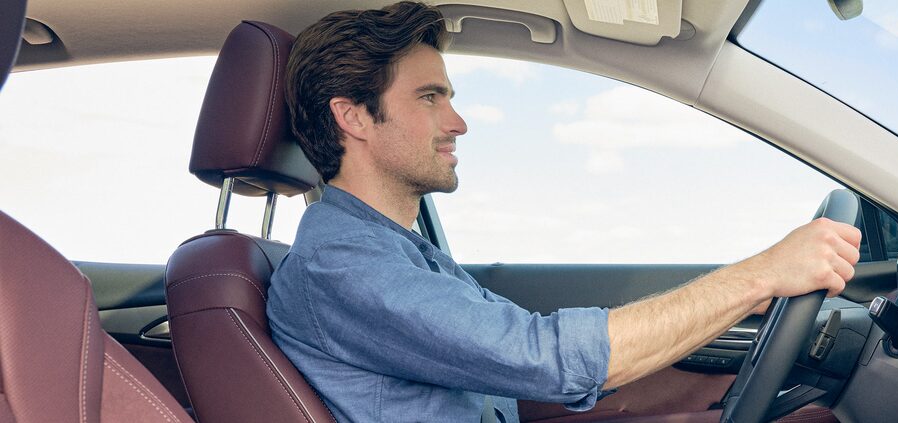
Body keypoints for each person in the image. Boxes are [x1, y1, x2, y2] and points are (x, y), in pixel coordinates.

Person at [267, 2, 861, 421]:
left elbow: (511, 379)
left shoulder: (398, 250)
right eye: (430, 97)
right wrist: (759, 275)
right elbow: (541, 357)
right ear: (353, 117)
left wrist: (720, 365)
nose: (458, 122)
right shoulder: (342, 265)